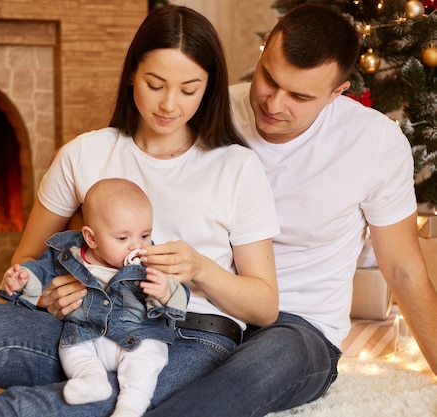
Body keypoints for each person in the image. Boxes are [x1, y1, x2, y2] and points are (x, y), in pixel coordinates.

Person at [0, 5, 280, 417]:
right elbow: (24, 260)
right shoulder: (84, 154)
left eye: (188, 89)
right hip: (84, 333)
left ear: (209, 89)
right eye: (155, 84)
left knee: (29, 410)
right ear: (131, 75)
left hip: (186, 339)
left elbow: (264, 307)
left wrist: (199, 269)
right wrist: (44, 297)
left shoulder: (235, 167)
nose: (169, 104)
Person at [142, 4, 437, 416]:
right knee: (113, 374)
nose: (274, 104)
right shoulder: (211, 112)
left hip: (298, 328)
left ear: (339, 92)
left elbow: (403, 268)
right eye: (268, 79)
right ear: (263, 53)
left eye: (299, 96)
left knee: (234, 387)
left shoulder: (375, 143)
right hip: (200, 311)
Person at [0, 178, 189, 417]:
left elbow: (179, 292)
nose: (136, 246)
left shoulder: (148, 261)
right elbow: (40, 271)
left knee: (149, 358)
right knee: (71, 348)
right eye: (123, 238)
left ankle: (130, 408)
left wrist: (167, 292)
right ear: (91, 238)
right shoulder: (68, 255)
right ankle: (90, 379)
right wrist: (23, 279)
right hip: (86, 333)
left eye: (144, 235)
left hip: (136, 335)